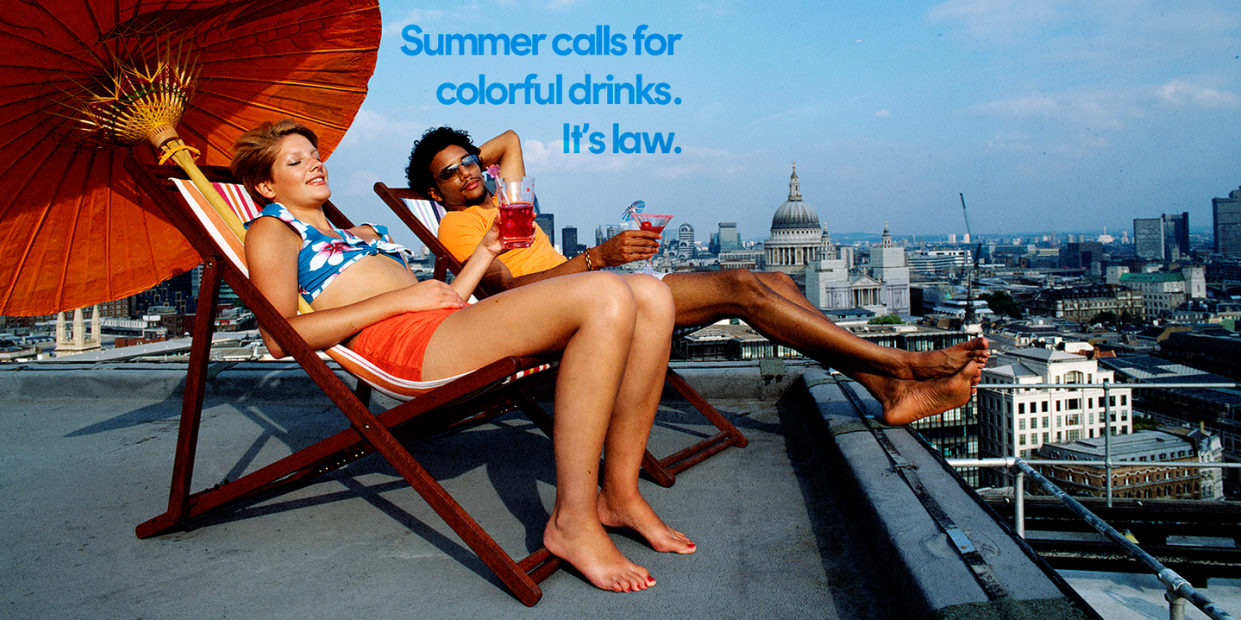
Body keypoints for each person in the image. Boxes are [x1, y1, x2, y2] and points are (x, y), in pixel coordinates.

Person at [233, 119, 694, 595]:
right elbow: (277, 335)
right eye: (296, 161)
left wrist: (485, 251)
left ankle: (619, 493)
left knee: (649, 294)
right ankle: (573, 521)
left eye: (313, 153)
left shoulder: (361, 231)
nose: (314, 162)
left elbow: (443, 299)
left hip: (441, 329)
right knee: (604, 292)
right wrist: (398, 302)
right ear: (266, 185)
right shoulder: (272, 230)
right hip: (407, 350)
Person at [407, 127, 990, 427]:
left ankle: (888, 390)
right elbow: (507, 292)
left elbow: (507, 140)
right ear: (435, 193)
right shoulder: (459, 228)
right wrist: (597, 259)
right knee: (740, 287)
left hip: (600, 284)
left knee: (777, 283)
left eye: (467, 164)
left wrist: (458, 160)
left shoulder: (506, 201)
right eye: (448, 175)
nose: (464, 175)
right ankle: (903, 367)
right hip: (573, 304)